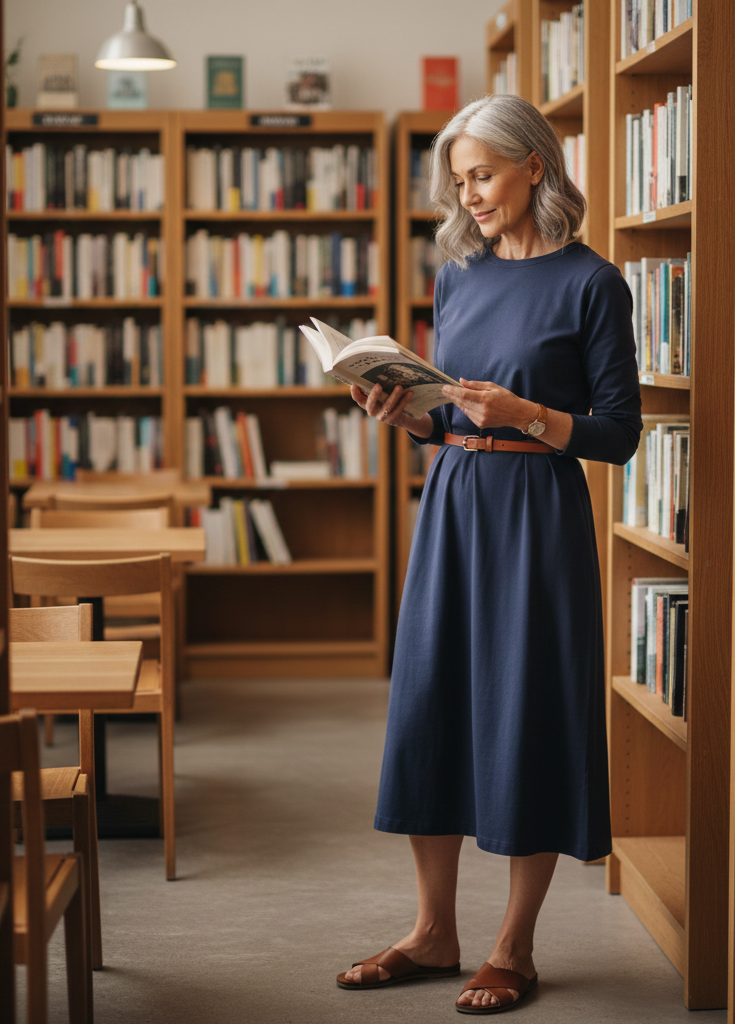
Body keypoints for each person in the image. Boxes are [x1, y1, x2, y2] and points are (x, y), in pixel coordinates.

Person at [335, 94, 642, 1015]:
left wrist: (526, 415)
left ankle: (515, 945)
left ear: (535, 166)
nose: (466, 195)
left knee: (526, 709)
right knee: (431, 702)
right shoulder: (459, 277)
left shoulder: (594, 283)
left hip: (537, 518)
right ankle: (432, 931)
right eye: (458, 179)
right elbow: (449, 415)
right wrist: (408, 414)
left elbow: (618, 435)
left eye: (481, 175)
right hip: (455, 505)